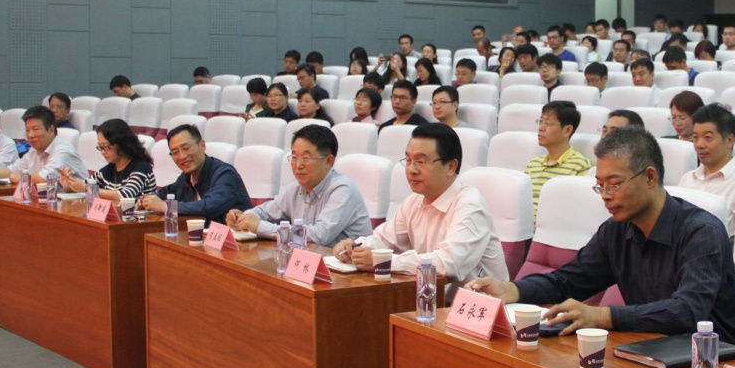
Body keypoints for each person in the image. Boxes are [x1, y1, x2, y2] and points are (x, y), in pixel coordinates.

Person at [466, 126, 735, 354]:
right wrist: (512, 289)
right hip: (653, 348)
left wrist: (602, 316)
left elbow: (688, 311)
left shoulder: (702, 231)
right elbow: (568, 281)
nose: (605, 195)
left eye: (614, 184)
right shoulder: (617, 230)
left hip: (721, 358)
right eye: (600, 186)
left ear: (650, 177)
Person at [333, 124, 506, 295]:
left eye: (421, 161)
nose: (412, 170)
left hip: (478, 306)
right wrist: (354, 248)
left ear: (451, 166)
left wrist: (383, 262)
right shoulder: (414, 201)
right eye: (408, 160)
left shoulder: (470, 205)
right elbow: (384, 239)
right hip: (431, 299)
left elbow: (449, 264)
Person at [227, 125, 370, 247]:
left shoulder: (342, 190)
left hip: (348, 266)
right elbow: (264, 213)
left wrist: (259, 226)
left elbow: (319, 235)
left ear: (329, 161)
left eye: (306, 158)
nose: (298, 165)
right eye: (294, 157)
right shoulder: (295, 189)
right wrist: (243, 218)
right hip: (309, 261)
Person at [139, 124, 252, 224]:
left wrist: (166, 207)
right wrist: (147, 200)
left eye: (186, 148)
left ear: (202, 145)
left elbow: (208, 207)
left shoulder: (226, 174)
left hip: (236, 239)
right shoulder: (186, 177)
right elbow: (166, 193)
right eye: (175, 152)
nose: (182, 156)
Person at [679, 104, 735, 238]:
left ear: (729, 141)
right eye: (695, 137)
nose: (699, 145)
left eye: (708, 137)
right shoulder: (687, 178)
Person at [0, 105, 88, 184]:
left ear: (51, 130)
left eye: (36, 129)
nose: (30, 135)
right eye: (27, 130)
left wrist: (20, 178)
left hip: (78, 202)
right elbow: (14, 169)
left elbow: (43, 178)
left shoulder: (63, 150)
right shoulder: (34, 149)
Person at [58, 118, 155, 201]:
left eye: (106, 147)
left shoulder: (141, 167)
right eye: (100, 147)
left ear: (122, 144)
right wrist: (67, 183)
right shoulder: (109, 169)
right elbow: (82, 187)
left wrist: (86, 188)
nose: (103, 152)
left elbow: (125, 196)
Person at [524, 101, 591, 219]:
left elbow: (575, 208)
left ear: (567, 130)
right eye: (540, 122)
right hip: (523, 226)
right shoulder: (534, 163)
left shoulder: (580, 165)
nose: (541, 128)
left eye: (548, 123)